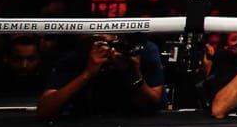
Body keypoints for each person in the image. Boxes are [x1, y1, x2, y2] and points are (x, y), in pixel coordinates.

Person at [37, 34, 165, 119]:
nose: (104, 48)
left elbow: (153, 106)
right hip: (85, 126)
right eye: (98, 43)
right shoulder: (75, 58)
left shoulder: (140, 50)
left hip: (136, 126)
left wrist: (132, 73)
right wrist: (87, 73)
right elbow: (44, 111)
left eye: (108, 42)